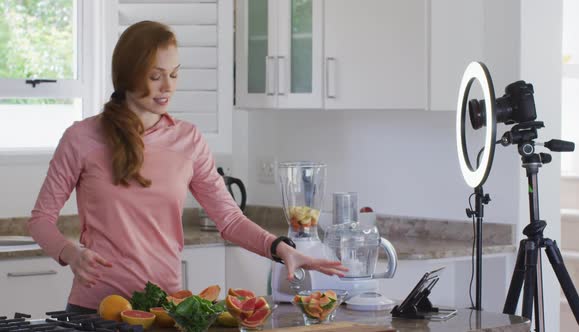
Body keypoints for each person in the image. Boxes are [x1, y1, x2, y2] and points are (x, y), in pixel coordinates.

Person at [27, 20, 347, 313]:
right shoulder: (82, 138)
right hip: (95, 311)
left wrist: (280, 248)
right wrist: (71, 253)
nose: (168, 86)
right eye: (155, 76)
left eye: (175, 74)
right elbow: (40, 220)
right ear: (127, 77)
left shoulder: (188, 140)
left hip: (165, 311)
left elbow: (230, 219)